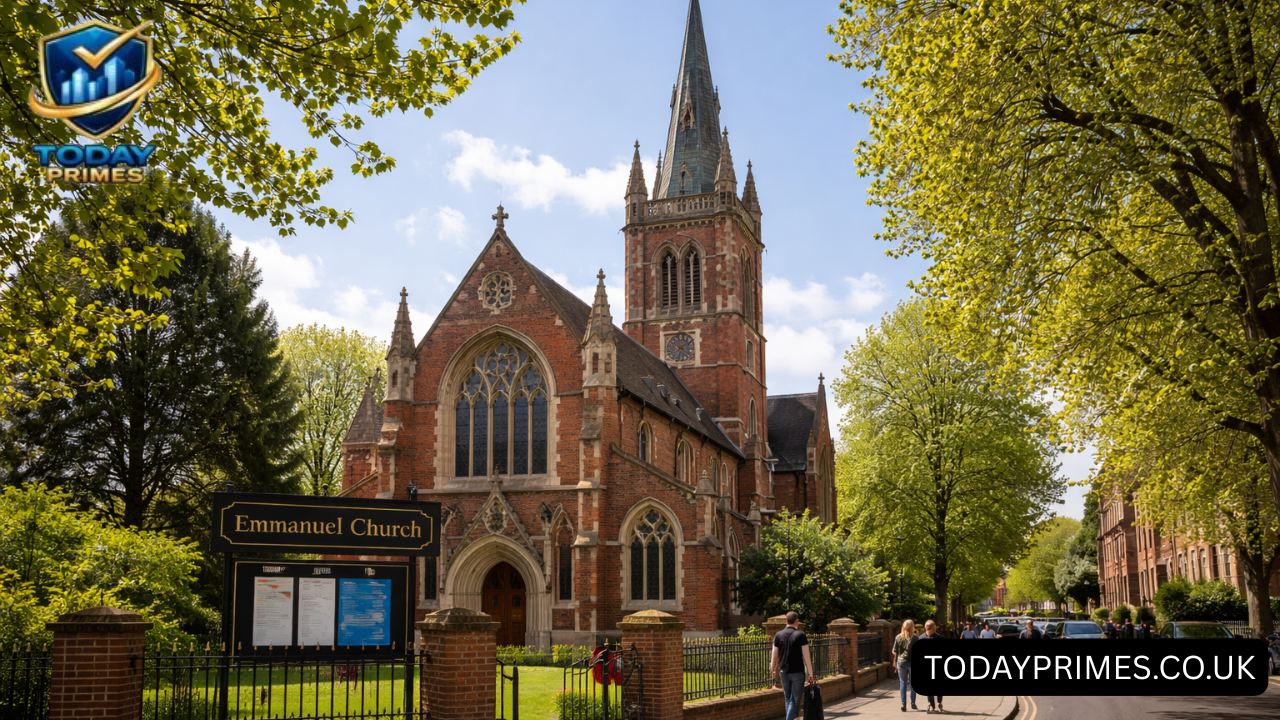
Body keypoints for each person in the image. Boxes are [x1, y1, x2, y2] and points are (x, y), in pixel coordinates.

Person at [770, 612, 814, 720]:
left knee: (788, 699)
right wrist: (811, 674)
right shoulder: (800, 635)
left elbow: (774, 654)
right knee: (795, 700)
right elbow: (806, 657)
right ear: (797, 622)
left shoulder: (778, 635)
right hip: (797, 672)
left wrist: (773, 669)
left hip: (784, 671)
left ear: (786, 621)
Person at [914, 620, 944, 713]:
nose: (928, 627)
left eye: (930, 625)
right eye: (927, 625)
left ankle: (939, 702)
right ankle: (930, 703)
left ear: (934, 627)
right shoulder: (920, 638)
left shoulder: (939, 638)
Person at [892, 619, 917, 712]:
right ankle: (913, 702)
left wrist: (898, 655)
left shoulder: (898, 637)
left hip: (901, 662)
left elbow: (894, 651)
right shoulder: (915, 638)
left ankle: (903, 702)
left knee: (903, 682)